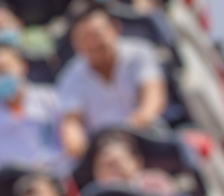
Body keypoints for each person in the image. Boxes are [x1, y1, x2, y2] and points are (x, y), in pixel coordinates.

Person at [55, 3, 167, 161]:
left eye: (97, 34)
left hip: (147, 137)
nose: (93, 43)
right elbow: (71, 125)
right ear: (76, 44)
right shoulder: (69, 78)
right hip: (104, 154)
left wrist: (131, 128)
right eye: (85, 38)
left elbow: (153, 98)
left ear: (115, 28)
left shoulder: (140, 52)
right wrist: (84, 150)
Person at [0, 45, 68, 181]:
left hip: (66, 179)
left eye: (1, 70)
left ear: (21, 65)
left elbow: (76, 145)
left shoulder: (52, 99)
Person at [89, 129, 178, 196]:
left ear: (137, 162)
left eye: (115, 164)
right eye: (102, 166)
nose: (109, 173)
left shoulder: (154, 182)